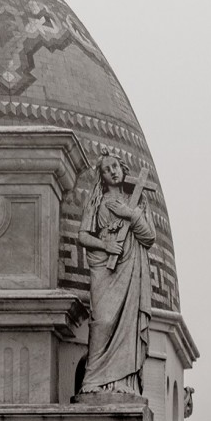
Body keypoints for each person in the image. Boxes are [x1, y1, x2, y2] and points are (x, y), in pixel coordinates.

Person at [77, 150, 156, 396]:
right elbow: (82, 235)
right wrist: (105, 245)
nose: (112, 171)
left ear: (123, 168)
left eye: (115, 166)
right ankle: (92, 380)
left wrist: (129, 214)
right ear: (101, 176)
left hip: (131, 267)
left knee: (127, 322)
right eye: (106, 169)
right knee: (103, 321)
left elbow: (150, 237)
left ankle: (123, 382)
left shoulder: (138, 200)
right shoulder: (96, 201)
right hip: (104, 267)